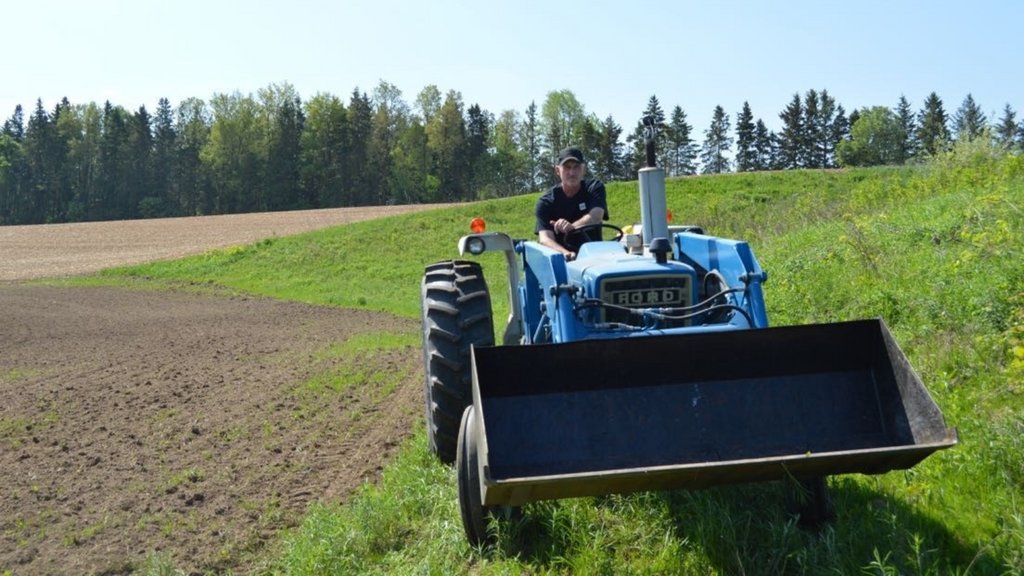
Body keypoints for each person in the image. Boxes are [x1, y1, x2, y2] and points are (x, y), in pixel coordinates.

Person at [535, 147, 609, 261]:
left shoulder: (594, 188)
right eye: (567, 167)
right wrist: (565, 253)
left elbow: (596, 216)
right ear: (557, 170)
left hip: (595, 258)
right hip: (563, 262)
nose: (572, 173)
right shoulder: (546, 202)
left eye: (576, 167)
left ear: (583, 169)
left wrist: (572, 228)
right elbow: (545, 238)